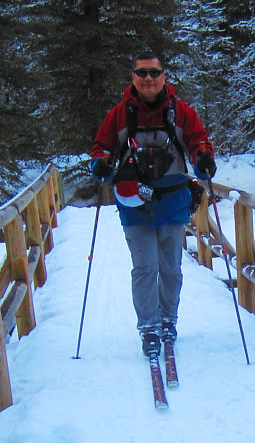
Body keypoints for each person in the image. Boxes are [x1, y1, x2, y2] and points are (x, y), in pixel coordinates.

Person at [89, 51, 216, 359]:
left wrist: (203, 159)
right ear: (133, 77)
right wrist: (101, 165)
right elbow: (102, 148)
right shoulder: (119, 115)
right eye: (142, 73)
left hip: (173, 202)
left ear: (163, 77)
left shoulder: (181, 112)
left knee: (171, 269)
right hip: (134, 203)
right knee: (145, 268)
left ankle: (168, 320)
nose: (148, 79)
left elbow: (198, 141)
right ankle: (149, 326)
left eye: (153, 73)